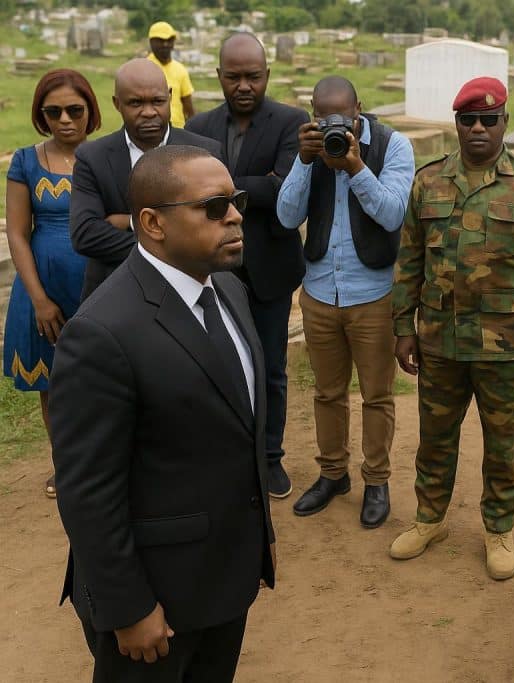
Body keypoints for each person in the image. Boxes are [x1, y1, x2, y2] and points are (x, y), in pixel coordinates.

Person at [50, 145, 276, 682]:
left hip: (225, 575)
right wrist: (128, 606)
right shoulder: (101, 334)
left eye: (237, 200)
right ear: (152, 223)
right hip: (155, 601)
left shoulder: (227, 289)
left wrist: (257, 533)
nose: (237, 215)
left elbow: (236, 431)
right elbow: (88, 491)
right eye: (215, 206)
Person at [389, 77, 514, 580]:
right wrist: (403, 328)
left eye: (487, 120)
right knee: (434, 439)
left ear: (503, 123)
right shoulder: (428, 183)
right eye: (467, 119)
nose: (477, 128)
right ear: (456, 124)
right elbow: (408, 262)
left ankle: (498, 528)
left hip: (507, 349)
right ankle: (429, 518)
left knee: (503, 443)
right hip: (439, 345)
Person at [277, 76, 414, 525]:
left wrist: (355, 168)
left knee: (376, 396)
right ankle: (333, 473)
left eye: (343, 116)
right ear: (313, 112)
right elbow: (286, 215)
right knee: (327, 393)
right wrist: (303, 159)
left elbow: (393, 212)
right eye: (323, 116)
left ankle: (376, 480)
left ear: (360, 107)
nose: (335, 124)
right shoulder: (309, 148)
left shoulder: (393, 145)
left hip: (373, 295)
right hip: (318, 293)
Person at [187, 33, 307, 499]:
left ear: (266, 76)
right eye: (233, 76)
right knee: (212, 368)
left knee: (271, 370)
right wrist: (253, 185)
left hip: (269, 273)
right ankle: (227, 457)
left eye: (252, 76)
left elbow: (282, 192)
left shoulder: (290, 123)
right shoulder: (198, 125)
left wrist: (214, 186)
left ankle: (270, 458)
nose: (243, 85)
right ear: (219, 76)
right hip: (209, 272)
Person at [3, 69, 100, 498]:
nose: (65, 119)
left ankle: (107, 465)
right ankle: (68, 468)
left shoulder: (105, 158)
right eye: (53, 111)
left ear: (90, 111)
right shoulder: (25, 161)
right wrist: (39, 300)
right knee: (54, 387)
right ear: (41, 115)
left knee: (105, 382)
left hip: (99, 287)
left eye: (74, 110)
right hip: (43, 289)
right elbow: (18, 234)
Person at [70, 58, 222, 300]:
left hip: (190, 293)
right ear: (117, 104)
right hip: (114, 296)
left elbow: (217, 226)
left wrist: (125, 224)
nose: (149, 112)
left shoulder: (205, 153)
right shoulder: (92, 158)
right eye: (136, 103)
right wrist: (140, 225)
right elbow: (85, 234)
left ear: (170, 96)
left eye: (158, 101)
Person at [147, 21, 195, 128]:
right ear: (151, 42)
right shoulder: (143, 68)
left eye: (169, 40)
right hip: (153, 130)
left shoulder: (180, 69)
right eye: (161, 40)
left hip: (178, 131)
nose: (165, 44)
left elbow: (188, 105)